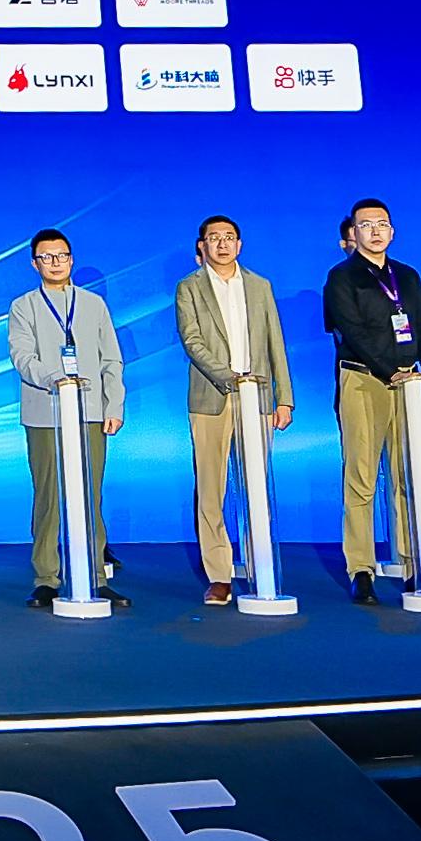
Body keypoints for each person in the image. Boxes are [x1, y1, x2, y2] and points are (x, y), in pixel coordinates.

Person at [319, 199, 421, 607]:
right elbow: (351, 332)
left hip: (410, 383)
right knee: (362, 476)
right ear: (353, 233)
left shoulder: (407, 275)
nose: (375, 231)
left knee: (408, 475)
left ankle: (411, 562)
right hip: (363, 379)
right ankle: (361, 568)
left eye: (382, 224)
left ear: (392, 231)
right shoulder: (341, 277)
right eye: (366, 225)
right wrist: (391, 370)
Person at [171, 215, 291, 607]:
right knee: (211, 489)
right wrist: (231, 377)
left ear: (239, 244)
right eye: (214, 238)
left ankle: (260, 565)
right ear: (202, 246)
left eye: (229, 237)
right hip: (212, 397)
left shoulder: (260, 286)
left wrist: (284, 397)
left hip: (258, 398)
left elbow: (275, 342)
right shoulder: (189, 287)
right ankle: (219, 575)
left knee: (256, 485)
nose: (222, 244)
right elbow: (192, 341)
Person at [8, 227, 128, 609]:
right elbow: (22, 356)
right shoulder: (23, 306)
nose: (55, 263)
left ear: (71, 259)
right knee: (48, 496)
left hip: (89, 411)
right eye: (46, 257)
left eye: (61, 256)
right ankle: (47, 577)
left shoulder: (93, 304)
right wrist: (54, 379)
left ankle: (95, 576)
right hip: (45, 412)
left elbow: (112, 359)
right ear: (35, 264)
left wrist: (114, 406)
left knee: (90, 494)